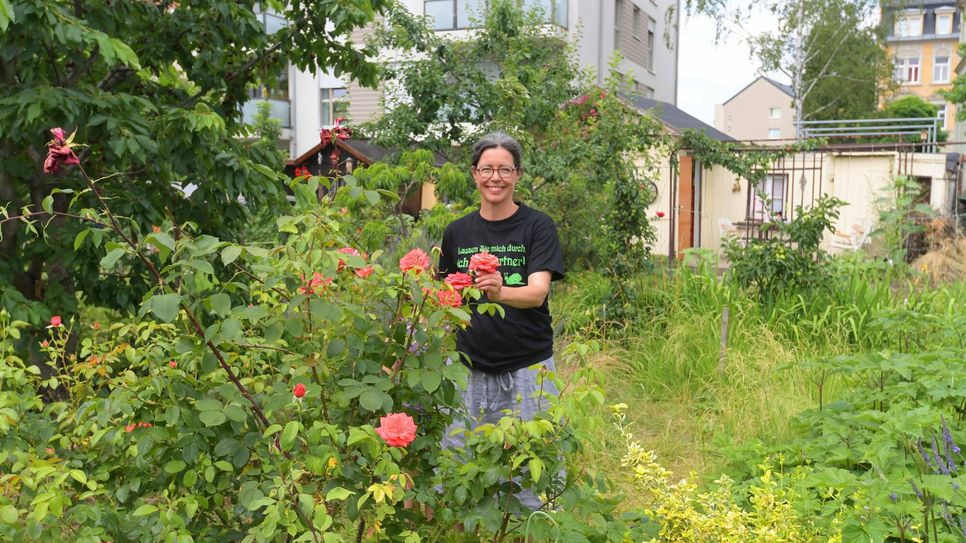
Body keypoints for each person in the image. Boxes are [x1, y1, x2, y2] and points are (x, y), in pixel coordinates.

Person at [437, 131, 565, 510]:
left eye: (504, 169)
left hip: (527, 365)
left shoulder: (537, 226)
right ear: (474, 174)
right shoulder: (457, 232)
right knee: (459, 461)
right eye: (487, 169)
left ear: (517, 175)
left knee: (533, 466)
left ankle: (535, 530)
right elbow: (446, 302)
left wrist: (499, 291)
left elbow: (538, 291)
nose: (496, 177)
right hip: (467, 366)